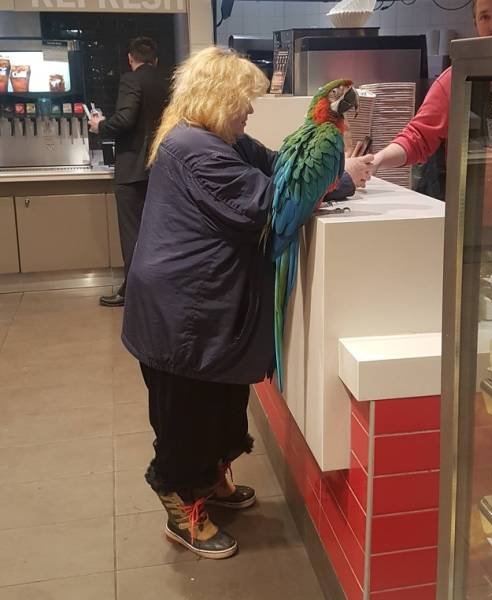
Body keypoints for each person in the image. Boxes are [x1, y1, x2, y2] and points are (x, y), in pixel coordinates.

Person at [120, 46, 370, 560]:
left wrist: (333, 171)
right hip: (182, 313)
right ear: (219, 97)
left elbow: (281, 167)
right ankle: (181, 504)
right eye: (244, 100)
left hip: (204, 307)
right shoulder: (196, 149)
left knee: (220, 402)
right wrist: (342, 177)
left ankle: (210, 480)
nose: (251, 109)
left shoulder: (219, 139)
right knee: (186, 417)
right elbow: (269, 201)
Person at [371, 0, 492, 186]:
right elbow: (418, 137)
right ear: (476, 23)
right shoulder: (458, 79)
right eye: (485, 17)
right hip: (473, 200)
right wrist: (376, 160)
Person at [89, 37, 169, 308]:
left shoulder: (131, 80)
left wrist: (100, 126)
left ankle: (132, 293)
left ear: (130, 59)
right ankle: (159, 291)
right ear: (155, 60)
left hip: (133, 170)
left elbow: (125, 119)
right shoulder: (167, 81)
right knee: (159, 233)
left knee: (132, 235)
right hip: (162, 168)